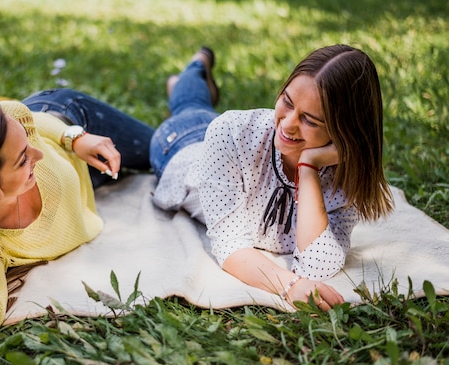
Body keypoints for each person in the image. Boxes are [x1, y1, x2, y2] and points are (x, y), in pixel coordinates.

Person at [150, 44, 394, 311]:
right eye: (287, 102)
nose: (288, 124)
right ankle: (196, 66)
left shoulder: (345, 175)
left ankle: (188, 85)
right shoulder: (230, 132)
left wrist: (308, 167)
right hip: (180, 144)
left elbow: (317, 265)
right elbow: (231, 247)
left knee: (194, 105)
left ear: (343, 131)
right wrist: (289, 285)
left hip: (212, 136)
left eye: (310, 120)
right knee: (188, 108)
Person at [0, 89, 154, 336]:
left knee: (163, 148)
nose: (39, 154)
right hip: (87, 178)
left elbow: (32, 117)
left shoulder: (9, 123)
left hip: (72, 123)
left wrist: (74, 137)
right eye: (23, 159)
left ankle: (187, 76)